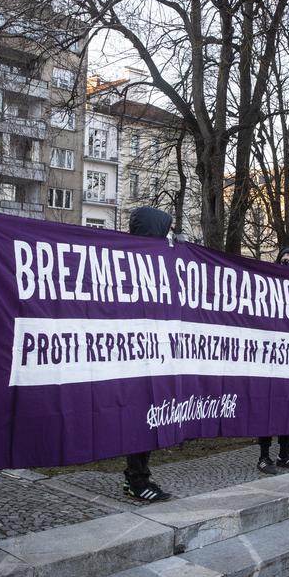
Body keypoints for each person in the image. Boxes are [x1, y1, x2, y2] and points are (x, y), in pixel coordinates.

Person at [121, 207, 176, 502]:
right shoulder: (130, 261)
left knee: (148, 419)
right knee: (138, 419)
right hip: (133, 358)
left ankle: (139, 476)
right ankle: (136, 478)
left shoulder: (161, 263)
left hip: (153, 355)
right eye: (164, 232)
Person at [257, 247, 289, 474]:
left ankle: (285, 452)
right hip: (270, 359)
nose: (288, 264)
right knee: (267, 408)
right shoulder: (267, 287)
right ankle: (264, 456)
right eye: (284, 260)